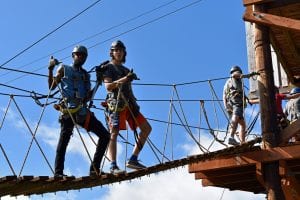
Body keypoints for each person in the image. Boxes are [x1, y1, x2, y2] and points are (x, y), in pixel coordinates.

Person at [48, 45, 110, 177]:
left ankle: (94, 169)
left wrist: (99, 81)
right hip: (68, 111)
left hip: (81, 111)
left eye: (83, 55)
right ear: (73, 55)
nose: (80, 57)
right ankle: (58, 173)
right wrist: (50, 69)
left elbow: (88, 97)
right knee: (64, 140)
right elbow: (51, 87)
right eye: (78, 54)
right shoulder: (63, 68)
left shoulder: (85, 75)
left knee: (105, 135)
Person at [100, 40, 152, 174]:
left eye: (120, 50)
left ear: (124, 53)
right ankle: (113, 165)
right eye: (116, 50)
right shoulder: (108, 68)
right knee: (114, 132)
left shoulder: (126, 70)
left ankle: (133, 159)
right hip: (116, 104)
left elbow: (129, 89)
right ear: (112, 53)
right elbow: (108, 87)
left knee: (146, 128)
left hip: (129, 104)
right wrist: (124, 79)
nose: (118, 52)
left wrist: (135, 103)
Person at [223, 66, 250, 145]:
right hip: (236, 102)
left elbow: (224, 96)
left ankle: (242, 142)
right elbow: (235, 74)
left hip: (230, 103)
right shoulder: (234, 78)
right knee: (236, 117)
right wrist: (246, 76)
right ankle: (231, 137)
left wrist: (226, 107)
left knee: (242, 124)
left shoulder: (227, 83)